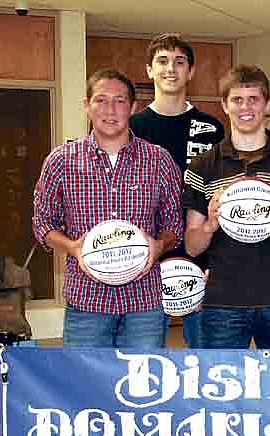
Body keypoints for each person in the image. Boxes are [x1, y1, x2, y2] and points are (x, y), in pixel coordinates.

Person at [33, 69, 183, 348]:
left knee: (143, 388)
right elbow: (43, 223)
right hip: (86, 301)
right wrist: (74, 247)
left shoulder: (158, 160)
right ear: (87, 105)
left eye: (120, 101)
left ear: (133, 107)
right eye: (101, 100)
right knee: (85, 386)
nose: (110, 110)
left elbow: (175, 224)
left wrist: (159, 245)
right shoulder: (61, 161)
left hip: (144, 303)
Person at [183, 65, 270, 349]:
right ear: (224, 105)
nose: (245, 107)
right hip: (224, 303)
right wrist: (210, 223)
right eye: (236, 100)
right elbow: (192, 246)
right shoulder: (203, 166)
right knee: (222, 391)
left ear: (266, 104)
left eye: (253, 99)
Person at [130, 33, 225, 348]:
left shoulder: (212, 128)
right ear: (149, 70)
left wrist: (217, 261)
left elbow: (220, 194)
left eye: (179, 62)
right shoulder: (132, 128)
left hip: (201, 250)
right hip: (148, 252)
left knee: (205, 354)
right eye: (162, 61)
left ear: (191, 71)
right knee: (146, 353)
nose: (171, 69)